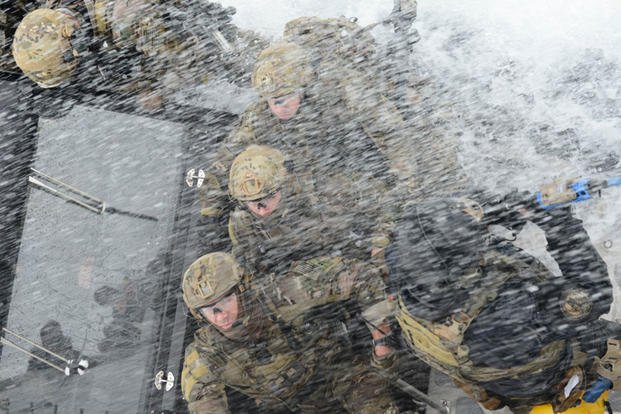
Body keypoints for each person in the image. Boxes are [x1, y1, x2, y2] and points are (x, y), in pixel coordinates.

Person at [388, 196, 621, 413]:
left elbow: (434, 239)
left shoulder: (415, 284)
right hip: (547, 380)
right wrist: (556, 219)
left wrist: (502, 210)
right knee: (610, 335)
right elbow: (594, 292)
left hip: (505, 381)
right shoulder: (512, 311)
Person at [181, 252, 399, 414]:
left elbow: (361, 274)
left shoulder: (281, 294)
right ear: (198, 314)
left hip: (339, 374)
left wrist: (382, 342)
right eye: (210, 310)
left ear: (241, 290)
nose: (221, 316)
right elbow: (204, 402)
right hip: (292, 407)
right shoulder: (205, 354)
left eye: (227, 300)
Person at [9, 1, 264, 108]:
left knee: (258, 76)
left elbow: (191, 66)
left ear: (73, 34)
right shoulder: (52, 16)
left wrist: (155, 90)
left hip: (214, 42)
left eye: (75, 61)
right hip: (170, 35)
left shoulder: (129, 19)